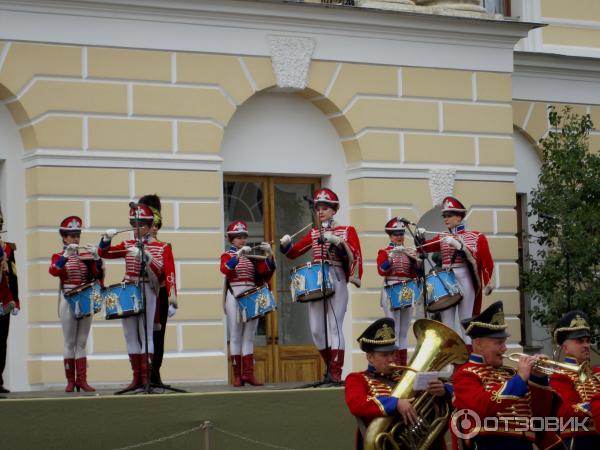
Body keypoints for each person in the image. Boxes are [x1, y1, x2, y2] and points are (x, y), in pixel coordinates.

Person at [452, 301, 562, 450]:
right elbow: (481, 407)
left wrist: (538, 378)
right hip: (491, 445)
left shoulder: (510, 374)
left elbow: (540, 416)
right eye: (498, 343)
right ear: (478, 345)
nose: (504, 349)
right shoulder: (465, 374)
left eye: (504, 342)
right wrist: (520, 379)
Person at [280, 188, 362, 383]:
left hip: (336, 277)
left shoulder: (346, 230)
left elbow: (354, 255)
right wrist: (285, 245)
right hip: (317, 280)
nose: (321, 212)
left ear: (334, 210)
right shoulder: (315, 232)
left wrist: (339, 243)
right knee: (316, 330)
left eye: (325, 208)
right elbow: (295, 252)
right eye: (318, 208)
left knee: (334, 326)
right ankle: (329, 366)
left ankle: (336, 371)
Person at [98, 204, 176, 391]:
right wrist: (106, 239)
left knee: (146, 333)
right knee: (130, 335)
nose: (136, 227)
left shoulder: (162, 247)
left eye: (141, 224)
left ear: (150, 226)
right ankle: (137, 378)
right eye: (133, 223)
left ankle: (147, 377)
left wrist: (147, 257)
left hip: (148, 289)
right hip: (128, 290)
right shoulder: (127, 244)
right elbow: (104, 253)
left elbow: (166, 273)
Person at [345, 318, 451, 450]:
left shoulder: (406, 375)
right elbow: (358, 404)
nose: (391, 359)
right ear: (370, 357)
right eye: (384, 355)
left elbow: (450, 393)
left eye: (392, 353)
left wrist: (443, 391)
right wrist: (396, 403)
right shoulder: (357, 379)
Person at [416, 196, 494, 349]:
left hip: (464, 277)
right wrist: (419, 237)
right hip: (447, 280)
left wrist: (459, 246)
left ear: (459, 217)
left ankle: (469, 359)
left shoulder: (475, 236)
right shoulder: (443, 237)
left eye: (449, 215)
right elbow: (422, 248)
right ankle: (452, 362)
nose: (446, 218)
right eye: (444, 216)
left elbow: (482, 259)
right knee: (447, 323)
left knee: (466, 321)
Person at [48, 216, 104, 392]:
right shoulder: (58, 256)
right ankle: (70, 381)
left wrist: (96, 258)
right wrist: (65, 256)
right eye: (71, 236)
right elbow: (54, 271)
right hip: (68, 299)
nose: (75, 239)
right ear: (64, 237)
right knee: (69, 342)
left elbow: (97, 274)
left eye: (77, 235)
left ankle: (82, 380)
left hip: (85, 299)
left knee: (81, 342)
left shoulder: (84, 256)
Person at [220, 220, 275, 387]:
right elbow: (225, 269)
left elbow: (267, 271)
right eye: (238, 237)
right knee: (235, 336)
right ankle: (237, 375)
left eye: (243, 237)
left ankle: (248, 374)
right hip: (234, 296)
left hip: (251, 297)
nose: (242, 240)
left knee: (249, 337)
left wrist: (270, 254)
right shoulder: (227, 255)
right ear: (231, 239)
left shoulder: (252, 258)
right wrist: (238, 255)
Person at [137, 194, 177, 385]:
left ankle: (155, 373)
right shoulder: (135, 246)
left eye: (155, 225)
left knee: (158, 336)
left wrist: (172, 297)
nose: (153, 228)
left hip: (159, 292)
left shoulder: (163, 247)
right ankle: (142, 375)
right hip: (140, 292)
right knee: (141, 335)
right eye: (149, 224)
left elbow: (170, 274)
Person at [549, 310, 600, 449]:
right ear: (565, 347)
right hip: (579, 441)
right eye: (579, 341)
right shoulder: (559, 376)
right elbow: (564, 413)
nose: (586, 345)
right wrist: (594, 406)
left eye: (587, 341)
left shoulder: (597, 373)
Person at [376, 218, 421, 366]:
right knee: (394, 329)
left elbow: (416, 273)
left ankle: (402, 364)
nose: (399, 237)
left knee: (403, 330)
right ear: (390, 235)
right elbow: (382, 270)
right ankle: (393, 363)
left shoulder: (410, 252)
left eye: (401, 233)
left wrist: (417, 261)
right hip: (391, 289)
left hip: (406, 290)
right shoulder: (384, 252)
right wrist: (391, 257)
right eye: (396, 234)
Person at [0, 208, 19, 394]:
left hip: (4, 301)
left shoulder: (7, 247)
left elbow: (13, 276)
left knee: (1, 341)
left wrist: (16, 300)